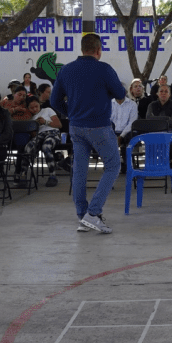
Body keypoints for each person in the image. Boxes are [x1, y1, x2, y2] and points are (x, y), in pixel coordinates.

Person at [51, 34, 127, 233]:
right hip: (99, 126)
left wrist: (71, 113)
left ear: (82, 48)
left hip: (76, 127)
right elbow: (120, 94)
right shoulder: (104, 69)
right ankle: (93, 214)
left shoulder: (66, 70)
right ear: (98, 50)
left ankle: (82, 216)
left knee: (80, 171)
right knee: (113, 165)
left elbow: (54, 101)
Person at [24, 97, 64, 187]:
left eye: (36, 106)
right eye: (32, 108)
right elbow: (33, 135)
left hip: (52, 132)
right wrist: (35, 125)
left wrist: (45, 122)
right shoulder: (30, 117)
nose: (34, 109)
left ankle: (52, 176)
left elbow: (59, 125)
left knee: (46, 146)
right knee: (28, 147)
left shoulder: (47, 110)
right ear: (28, 108)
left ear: (39, 105)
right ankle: (23, 174)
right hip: (40, 134)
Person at [112, 81, 140, 169]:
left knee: (128, 138)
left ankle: (128, 164)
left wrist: (121, 136)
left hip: (127, 131)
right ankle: (112, 164)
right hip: (112, 131)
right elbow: (106, 121)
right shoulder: (108, 104)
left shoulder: (132, 104)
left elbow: (132, 123)